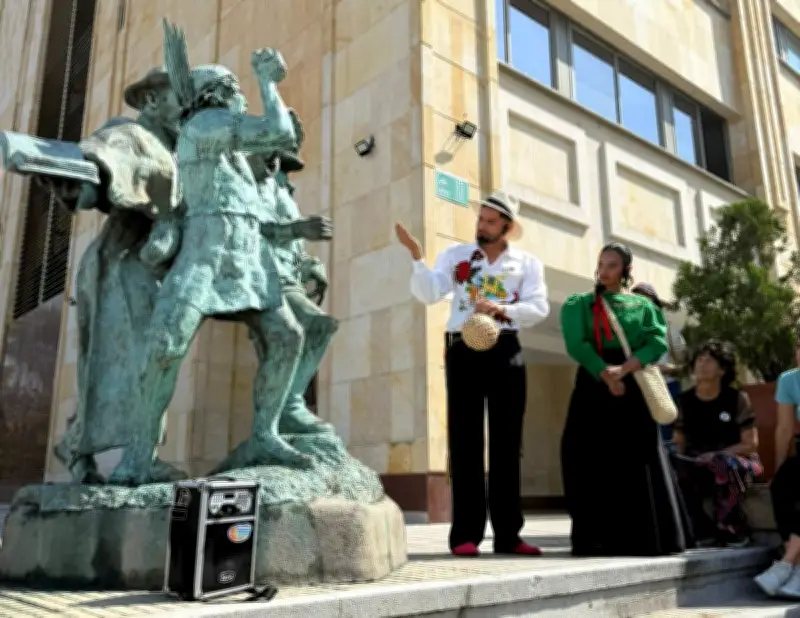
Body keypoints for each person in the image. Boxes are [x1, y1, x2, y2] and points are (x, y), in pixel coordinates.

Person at [395, 190, 549, 557]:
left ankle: (509, 535)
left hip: (506, 348)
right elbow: (430, 293)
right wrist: (417, 257)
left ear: (507, 228)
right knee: (464, 442)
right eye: (480, 219)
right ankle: (465, 535)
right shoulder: (456, 256)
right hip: (463, 348)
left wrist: (500, 308)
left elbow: (539, 306)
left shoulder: (527, 263)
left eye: (490, 221)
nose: (481, 226)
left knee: (507, 443)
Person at [560, 242, 693, 557]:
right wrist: (606, 374)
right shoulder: (579, 303)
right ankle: (594, 537)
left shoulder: (643, 306)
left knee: (638, 454)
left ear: (626, 271)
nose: (604, 271)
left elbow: (655, 339)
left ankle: (645, 537)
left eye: (612, 265)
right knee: (584, 453)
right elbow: (576, 343)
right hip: (594, 383)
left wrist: (627, 369)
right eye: (601, 264)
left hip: (634, 383)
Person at [672, 339, 761, 548]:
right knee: (674, 471)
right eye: (699, 360)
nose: (702, 364)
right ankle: (700, 530)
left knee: (722, 464)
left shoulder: (737, 399)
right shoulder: (684, 401)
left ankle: (732, 530)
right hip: (697, 461)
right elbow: (679, 443)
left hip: (737, 461)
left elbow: (751, 444)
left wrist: (717, 454)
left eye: (709, 360)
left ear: (722, 369)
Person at [754, 341, 800, 598]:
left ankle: (788, 564)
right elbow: (784, 428)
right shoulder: (790, 379)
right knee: (783, 484)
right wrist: (780, 467)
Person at [631, 282, 687, 446]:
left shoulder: (668, 330)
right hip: (638, 390)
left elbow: (685, 363)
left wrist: (667, 369)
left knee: (667, 442)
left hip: (665, 389)